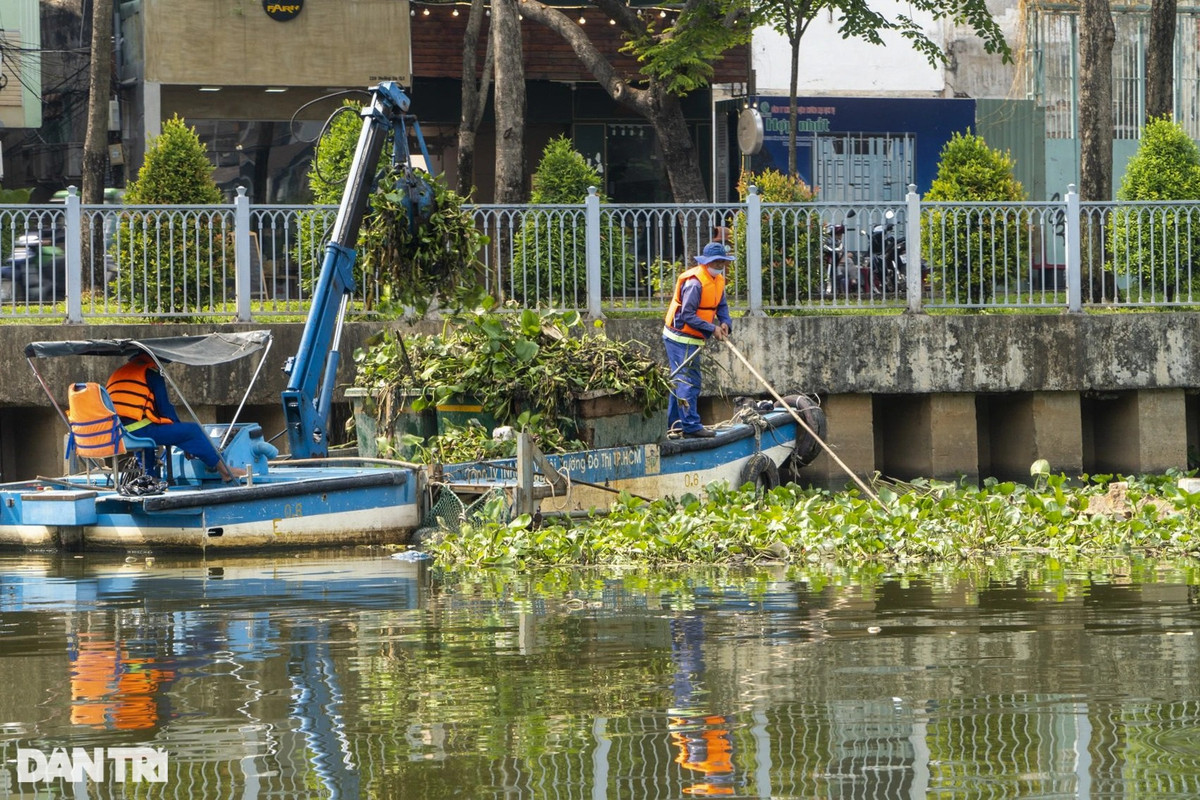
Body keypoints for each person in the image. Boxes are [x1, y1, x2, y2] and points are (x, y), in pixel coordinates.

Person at [106, 352, 246, 482]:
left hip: (120, 432)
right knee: (193, 431)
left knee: (146, 431)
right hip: (139, 432)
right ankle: (225, 472)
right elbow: (165, 409)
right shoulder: (151, 373)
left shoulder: (118, 373)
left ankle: (149, 477)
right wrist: (184, 439)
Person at [663, 242, 734, 438]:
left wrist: (725, 322)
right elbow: (687, 315)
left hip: (694, 338)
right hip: (679, 337)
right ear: (707, 262)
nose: (720, 265)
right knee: (689, 381)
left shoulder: (718, 280)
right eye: (716, 261)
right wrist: (712, 328)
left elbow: (722, 306)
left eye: (722, 261)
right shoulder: (695, 283)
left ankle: (674, 425)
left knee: (679, 381)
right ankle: (691, 426)